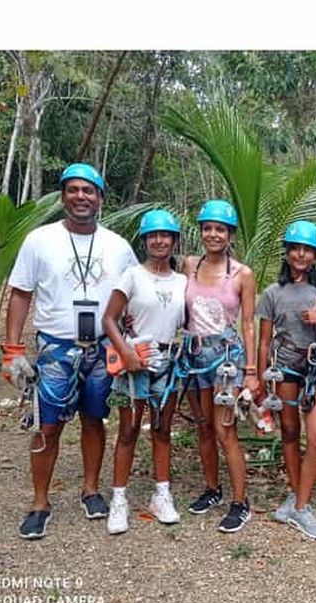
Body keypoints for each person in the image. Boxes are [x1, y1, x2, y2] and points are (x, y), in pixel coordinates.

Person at [1, 162, 138, 540]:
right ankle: (40, 503)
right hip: (56, 349)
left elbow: (130, 297)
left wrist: (131, 341)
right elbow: (21, 294)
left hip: (102, 349)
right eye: (74, 189)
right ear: (63, 195)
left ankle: (91, 490)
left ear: (100, 198)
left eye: (89, 190)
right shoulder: (39, 240)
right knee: (49, 424)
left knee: (95, 420)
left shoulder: (118, 246)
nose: (81, 196)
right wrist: (12, 350)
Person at [101, 209, 187, 535]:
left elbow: (187, 319)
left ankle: (161, 494)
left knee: (163, 428)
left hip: (167, 360)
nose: (159, 240)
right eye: (153, 235)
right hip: (134, 358)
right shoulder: (132, 276)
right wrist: (124, 350)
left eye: (165, 235)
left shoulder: (182, 281)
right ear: (145, 240)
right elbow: (109, 318)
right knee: (128, 430)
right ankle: (119, 499)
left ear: (174, 240)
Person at [256, 220, 316, 539]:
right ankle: (296, 495)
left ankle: (301, 505)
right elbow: (264, 340)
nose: (301, 254)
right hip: (285, 369)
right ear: (287, 252)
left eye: (307, 249)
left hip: (315, 370)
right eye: (295, 248)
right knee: (290, 431)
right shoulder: (272, 293)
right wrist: (260, 378)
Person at [180, 200, 258, 533]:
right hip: (196, 356)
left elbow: (249, 324)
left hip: (227, 360)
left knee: (225, 431)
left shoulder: (242, 274)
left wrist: (252, 371)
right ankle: (213, 489)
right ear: (201, 231)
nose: (213, 234)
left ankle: (240, 503)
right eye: (208, 228)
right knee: (203, 427)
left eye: (220, 229)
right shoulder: (189, 265)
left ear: (230, 234)